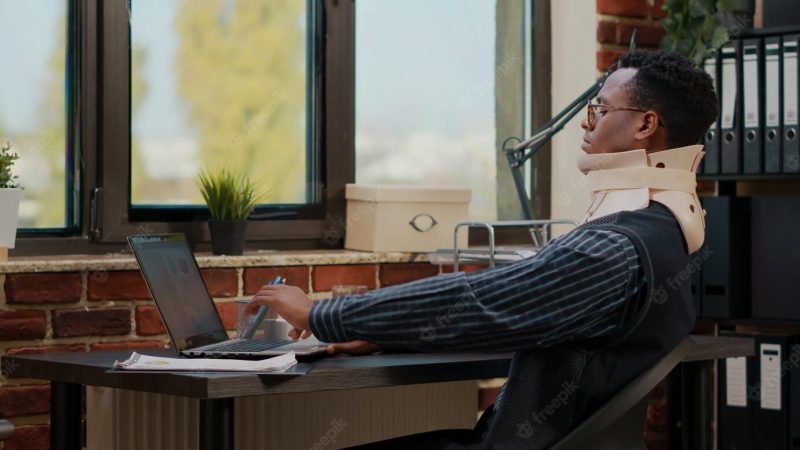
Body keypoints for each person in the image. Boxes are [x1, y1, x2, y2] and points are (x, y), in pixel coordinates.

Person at [250, 50, 719, 449]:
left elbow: (482, 302)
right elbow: (521, 311)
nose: (586, 121)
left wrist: (320, 315)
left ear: (645, 125)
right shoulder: (670, 232)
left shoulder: (612, 247)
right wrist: (383, 335)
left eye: (599, 109)